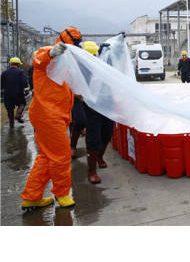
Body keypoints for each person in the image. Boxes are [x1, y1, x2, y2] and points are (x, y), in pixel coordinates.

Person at [20, 26, 82, 211]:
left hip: (54, 115)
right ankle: (62, 193)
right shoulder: (49, 53)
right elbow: (38, 59)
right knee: (61, 156)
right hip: (49, 115)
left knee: (46, 157)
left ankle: (32, 197)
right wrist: (52, 53)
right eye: (76, 43)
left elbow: (63, 87)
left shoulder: (64, 61)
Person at [81, 40, 115, 184]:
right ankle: (92, 171)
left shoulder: (103, 65)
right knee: (93, 138)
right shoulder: (80, 69)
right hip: (91, 106)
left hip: (107, 103)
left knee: (107, 133)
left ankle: (100, 156)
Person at [1, 57, 29, 128]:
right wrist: (26, 90)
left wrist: (1, 92)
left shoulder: (4, 73)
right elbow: (24, 82)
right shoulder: (20, 72)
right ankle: (18, 115)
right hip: (18, 93)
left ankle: (11, 124)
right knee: (22, 103)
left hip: (7, 94)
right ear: (18, 64)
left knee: (10, 109)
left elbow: (1, 84)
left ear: (11, 64)